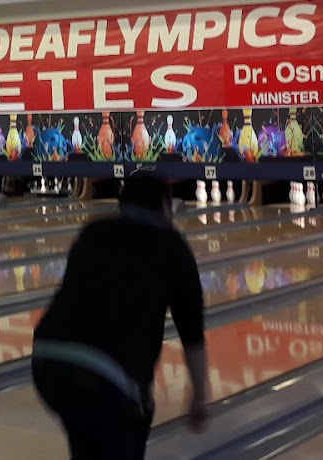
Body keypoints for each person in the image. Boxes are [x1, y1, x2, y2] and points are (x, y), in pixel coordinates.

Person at [31, 175, 209, 459]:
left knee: (95, 436)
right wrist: (199, 396)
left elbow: (91, 304)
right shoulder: (172, 246)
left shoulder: (93, 231)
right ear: (166, 207)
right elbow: (192, 335)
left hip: (47, 359)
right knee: (117, 426)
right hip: (103, 374)